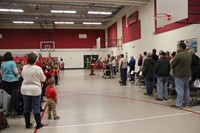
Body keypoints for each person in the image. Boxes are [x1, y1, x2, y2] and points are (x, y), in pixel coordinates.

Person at [21, 51, 46, 129]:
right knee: (36, 107)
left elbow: (22, 76)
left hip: (25, 89)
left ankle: (27, 124)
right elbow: (43, 79)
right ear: (36, 60)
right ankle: (38, 124)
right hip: (35, 90)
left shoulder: (24, 67)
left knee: (26, 107)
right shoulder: (38, 68)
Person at [170, 42, 191, 109]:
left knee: (179, 90)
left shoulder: (178, 55)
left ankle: (179, 104)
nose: (178, 48)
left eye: (178, 47)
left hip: (179, 74)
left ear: (181, 47)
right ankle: (187, 103)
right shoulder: (188, 54)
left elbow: (172, 64)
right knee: (186, 89)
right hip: (187, 74)